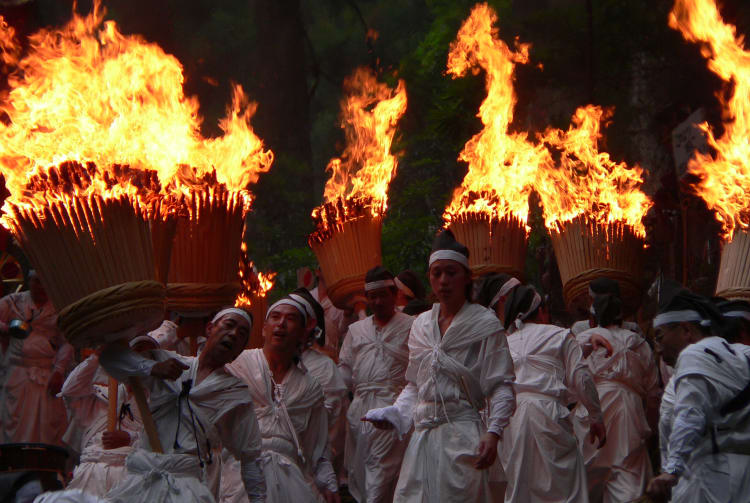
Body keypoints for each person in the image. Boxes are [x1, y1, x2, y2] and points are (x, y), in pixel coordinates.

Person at [364, 229, 515, 503]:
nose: (443, 280)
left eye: (451, 272)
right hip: (422, 440)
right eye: (436, 273)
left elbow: (502, 386)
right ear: (429, 278)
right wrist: (397, 413)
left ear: (467, 277)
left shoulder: (485, 324)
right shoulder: (421, 324)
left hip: (463, 436)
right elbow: (415, 384)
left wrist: (493, 434)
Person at [99, 308, 265, 503]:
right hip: (141, 482)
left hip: (186, 488)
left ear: (238, 352)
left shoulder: (234, 393)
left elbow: (251, 459)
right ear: (210, 329)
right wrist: (152, 368)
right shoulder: (167, 361)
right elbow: (108, 358)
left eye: (242, 334)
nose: (234, 333)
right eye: (229, 325)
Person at [224, 292, 340, 503]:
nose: (281, 324)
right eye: (275, 317)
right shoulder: (238, 366)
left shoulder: (310, 387)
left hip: (290, 480)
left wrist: (328, 482)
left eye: (291, 318)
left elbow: (318, 446)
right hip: (238, 474)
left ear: (304, 333)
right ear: (264, 328)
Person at [499, 284, 605, 503]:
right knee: (563, 490)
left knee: (520, 489)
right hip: (549, 416)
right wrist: (596, 417)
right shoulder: (560, 335)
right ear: (540, 311)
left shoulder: (503, 343)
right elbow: (582, 378)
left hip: (511, 420)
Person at [647, 291, 750, 502]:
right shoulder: (740, 353)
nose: (658, 348)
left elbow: (690, 414)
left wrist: (671, 470)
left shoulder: (694, 355)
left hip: (712, 475)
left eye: (660, 336)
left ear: (686, 329)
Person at [574, 289, 659, 502]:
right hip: (627, 412)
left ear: (593, 319)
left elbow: (569, 377)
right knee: (627, 475)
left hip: (591, 409)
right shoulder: (637, 342)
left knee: (584, 476)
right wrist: (650, 427)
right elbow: (653, 391)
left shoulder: (583, 338)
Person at [339, 266, 414, 503]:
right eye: (373, 296)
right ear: (367, 298)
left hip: (393, 406)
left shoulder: (412, 325)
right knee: (362, 473)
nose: (379, 301)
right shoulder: (356, 330)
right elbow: (345, 369)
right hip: (359, 412)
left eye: (384, 294)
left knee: (381, 474)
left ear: (394, 294)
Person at [60, 338, 152, 498]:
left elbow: (166, 442)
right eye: (134, 355)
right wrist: (97, 356)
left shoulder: (159, 401)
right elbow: (70, 390)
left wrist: (130, 438)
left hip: (131, 473)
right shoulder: (104, 395)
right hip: (93, 472)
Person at [0, 270, 72, 444]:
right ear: (29, 281)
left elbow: (67, 341)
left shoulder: (59, 307)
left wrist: (59, 371)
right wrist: (8, 329)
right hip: (17, 374)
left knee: (46, 423)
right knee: (14, 421)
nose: (42, 287)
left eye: (45, 282)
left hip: (46, 376)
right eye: (37, 282)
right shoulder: (14, 302)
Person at [296, 288, 348, 491]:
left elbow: (333, 426)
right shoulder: (263, 363)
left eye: (294, 318)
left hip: (312, 463)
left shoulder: (324, 368)